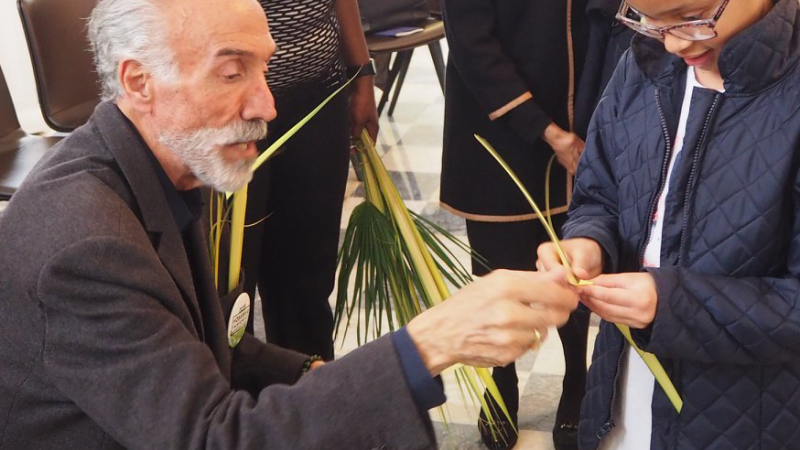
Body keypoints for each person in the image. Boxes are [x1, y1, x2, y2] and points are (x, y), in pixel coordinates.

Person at [0, 0, 581, 448]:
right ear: (137, 81)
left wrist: (315, 371)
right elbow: (212, 436)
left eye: (264, 71)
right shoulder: (85, 245)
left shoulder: (162, 170)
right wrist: (426, 344)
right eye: (232, 74)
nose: (268, 106)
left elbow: (196, 346)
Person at [538, 0, 800, 448]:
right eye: (647, 19)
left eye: (690, 17)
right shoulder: (643, 65)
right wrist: (588, 241)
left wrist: (672, 304)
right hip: (621, 396)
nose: (675, 42)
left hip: (748, 416)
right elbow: (600, 192)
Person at [439, 0, 589, 448]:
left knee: (574, 264)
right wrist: (547, 132)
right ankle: (501, 385)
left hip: (581, 109)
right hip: (496, 123)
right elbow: (471, 43)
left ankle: (578, 382)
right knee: (499, 269)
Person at [240, 0, 378, 362]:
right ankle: (235, 409)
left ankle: (313, 405)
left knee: (307, 279)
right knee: (230, 288)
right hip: (226, 106)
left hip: (318, 93)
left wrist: (361, 70)